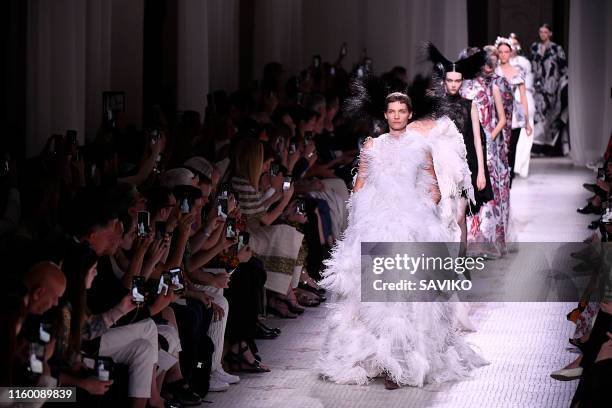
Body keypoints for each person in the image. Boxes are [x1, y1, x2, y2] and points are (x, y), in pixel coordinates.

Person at [318, 84, 488, 390]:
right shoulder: (372, 147)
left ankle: (401, 362)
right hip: (376, 221)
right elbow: (360, 184)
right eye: (392, 112)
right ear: (385, 115)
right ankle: (379, 360)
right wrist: (357, 221)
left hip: (412, 223)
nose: (396, 116)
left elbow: (433, 187)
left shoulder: (421, 147)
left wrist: (421, 212)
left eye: (402, 112)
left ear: (409, 114)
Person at [426, 43, 492, 259]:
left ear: (462, 82)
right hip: (442, 167)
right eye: (450, 81)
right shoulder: (436, 106)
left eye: (457, 81)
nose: (454, 85)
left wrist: (481, 171)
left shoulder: (469, 105)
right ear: (444, 82)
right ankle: (447, 260)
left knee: (460, 215)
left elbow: (477, 139)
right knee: (443, 215)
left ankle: (461, 260)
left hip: (465, 167)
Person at [460, 47, 510, 258]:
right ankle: (472, 239)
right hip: (469, 145)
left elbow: (502, 118)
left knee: (489, 193)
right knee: (470, 190)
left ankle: (488, 240)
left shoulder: (493, 86)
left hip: (490, 146)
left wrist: (490, 135)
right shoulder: (461, 87)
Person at [495, 36, 532, 187]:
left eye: (506, 51)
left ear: (511, 53)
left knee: (511, 147)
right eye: (501, 52)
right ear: (497, 53)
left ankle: (508, 181)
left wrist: (527, 121)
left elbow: (523, 96)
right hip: (497, 114)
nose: (504, 54)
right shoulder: (494, 71)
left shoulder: (518, 71)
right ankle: (498, 178)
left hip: (515, 115)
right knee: (498, 147)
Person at [530, 23, 568, 155]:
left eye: (545, 32)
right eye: (541, 32)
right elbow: (533, 65)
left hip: (552, 86)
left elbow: (563, 67)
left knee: (551, 116)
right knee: (539, 114)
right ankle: (536, 147)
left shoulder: (557, 49)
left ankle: (549, 148)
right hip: (537, 86)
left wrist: (562, 85)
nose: (543, 34)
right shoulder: (535, 47)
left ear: (550, 33)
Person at [508, 33, 536, 178]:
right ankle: (511, 166)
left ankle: (521, 166)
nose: (512, 47)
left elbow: (528, 82)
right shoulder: (501, 63)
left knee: (526, 132)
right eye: (509, 44)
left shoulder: (524, 62)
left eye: (514, 44)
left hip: (523, 96)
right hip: (509, 99)